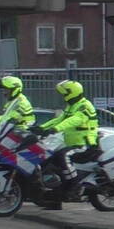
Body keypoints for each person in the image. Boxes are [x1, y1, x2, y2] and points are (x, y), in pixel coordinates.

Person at [36, 80, 100, 210]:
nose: (63, 96)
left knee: (63, 155)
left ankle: (75, 185)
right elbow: (59, 119)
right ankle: (56, 197)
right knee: (51, 160)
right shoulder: (72, 106)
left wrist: (56, 129)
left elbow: (73, 120)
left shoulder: (84, 106)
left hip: (85, 144)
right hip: (72, 144)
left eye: (64, 94)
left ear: (71, 93)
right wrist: (41, 128)